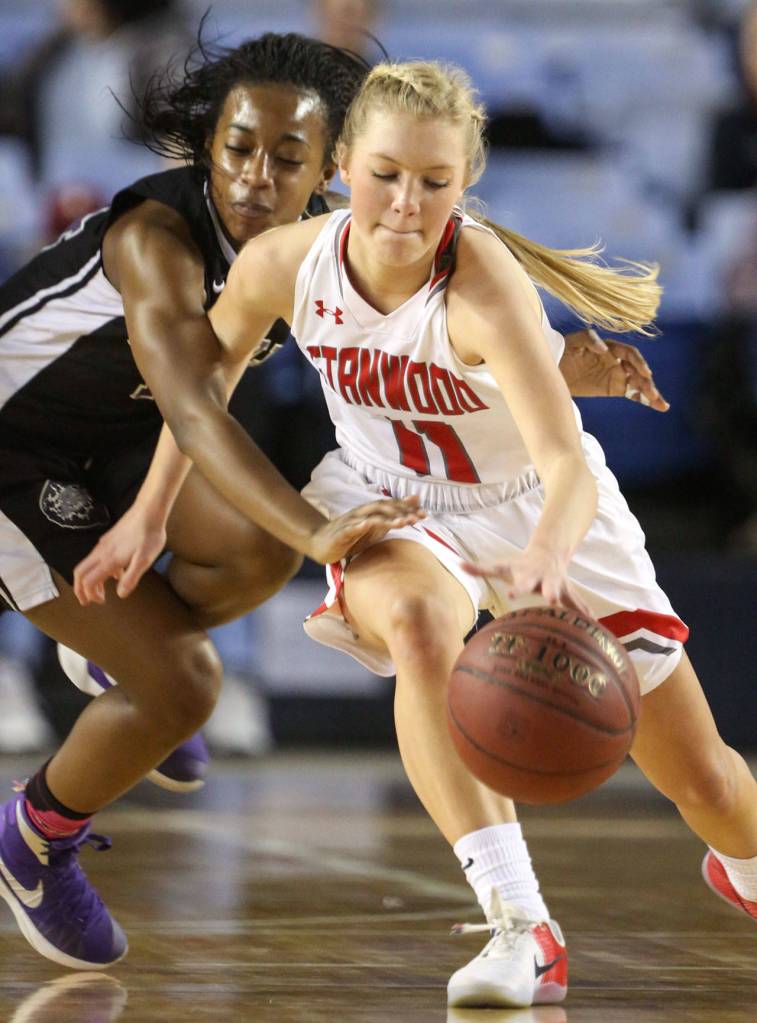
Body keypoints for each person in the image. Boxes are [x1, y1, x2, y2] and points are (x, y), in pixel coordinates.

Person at [83, 58, 757, 1008]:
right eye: (386, 174)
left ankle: (746, 863)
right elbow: (203, 389)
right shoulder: (288, 261)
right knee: (418, 628)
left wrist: (544, 561)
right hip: (387, 496)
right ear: (341, 166)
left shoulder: (487, 287)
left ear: (464, 183)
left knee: (709, 783)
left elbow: (564, 463)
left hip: (533, 505)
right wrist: (147, 518)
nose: (406, 203)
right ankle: (521, 927)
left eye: (435, 183)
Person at [0, 30, 432, 972]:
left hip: (109, 446)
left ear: (332, 169)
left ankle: (121, 666)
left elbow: (427, 330)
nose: (255, 177)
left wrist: (564, 367)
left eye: (287, 158)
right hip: (11, 462)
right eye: (238, 148)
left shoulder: (315, 246)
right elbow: (196, 414)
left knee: (250, 552)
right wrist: (323, 531)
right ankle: (32, 841)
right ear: (207, 146)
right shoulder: (152, 241)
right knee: (190, 686)